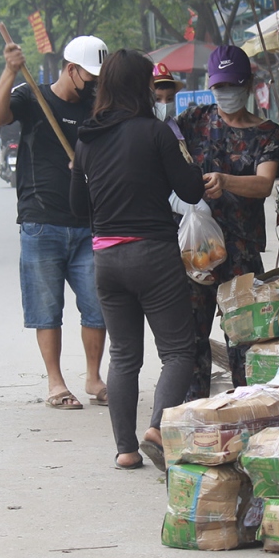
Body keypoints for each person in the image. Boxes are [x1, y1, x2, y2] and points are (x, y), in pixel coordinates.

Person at [69, 50, 206, 470]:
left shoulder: (86, 139)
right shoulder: (157, 132)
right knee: (178, 351)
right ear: (140, 86)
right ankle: (156, 428)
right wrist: (185, 161)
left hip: (107, 259)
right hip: (153, 254)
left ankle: (125, 450)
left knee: (125, 356)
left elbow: (76, 208)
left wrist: (83, 174)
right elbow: (191, 191)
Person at [0, 34, 110, 410]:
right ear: (71, 70)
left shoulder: (97, 107)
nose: (94, 84)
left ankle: (93, 378)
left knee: (97, 306)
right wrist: (9, 71)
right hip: (41, 222)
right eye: (90, 77)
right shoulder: (30, 97)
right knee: (47, 309)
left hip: (88, 223)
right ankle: (56, 383)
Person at [173, 45, 279, 398]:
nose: (226, 93)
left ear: (249, 85)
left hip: (241, 249)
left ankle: (247, 406)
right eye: (219, 86)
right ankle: (194, 411)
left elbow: (264, 184)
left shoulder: (267, 133)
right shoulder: (194, 120)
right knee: (190, 338)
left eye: (233, 85)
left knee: (243, 336)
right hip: (195, 249)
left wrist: (226, 181)